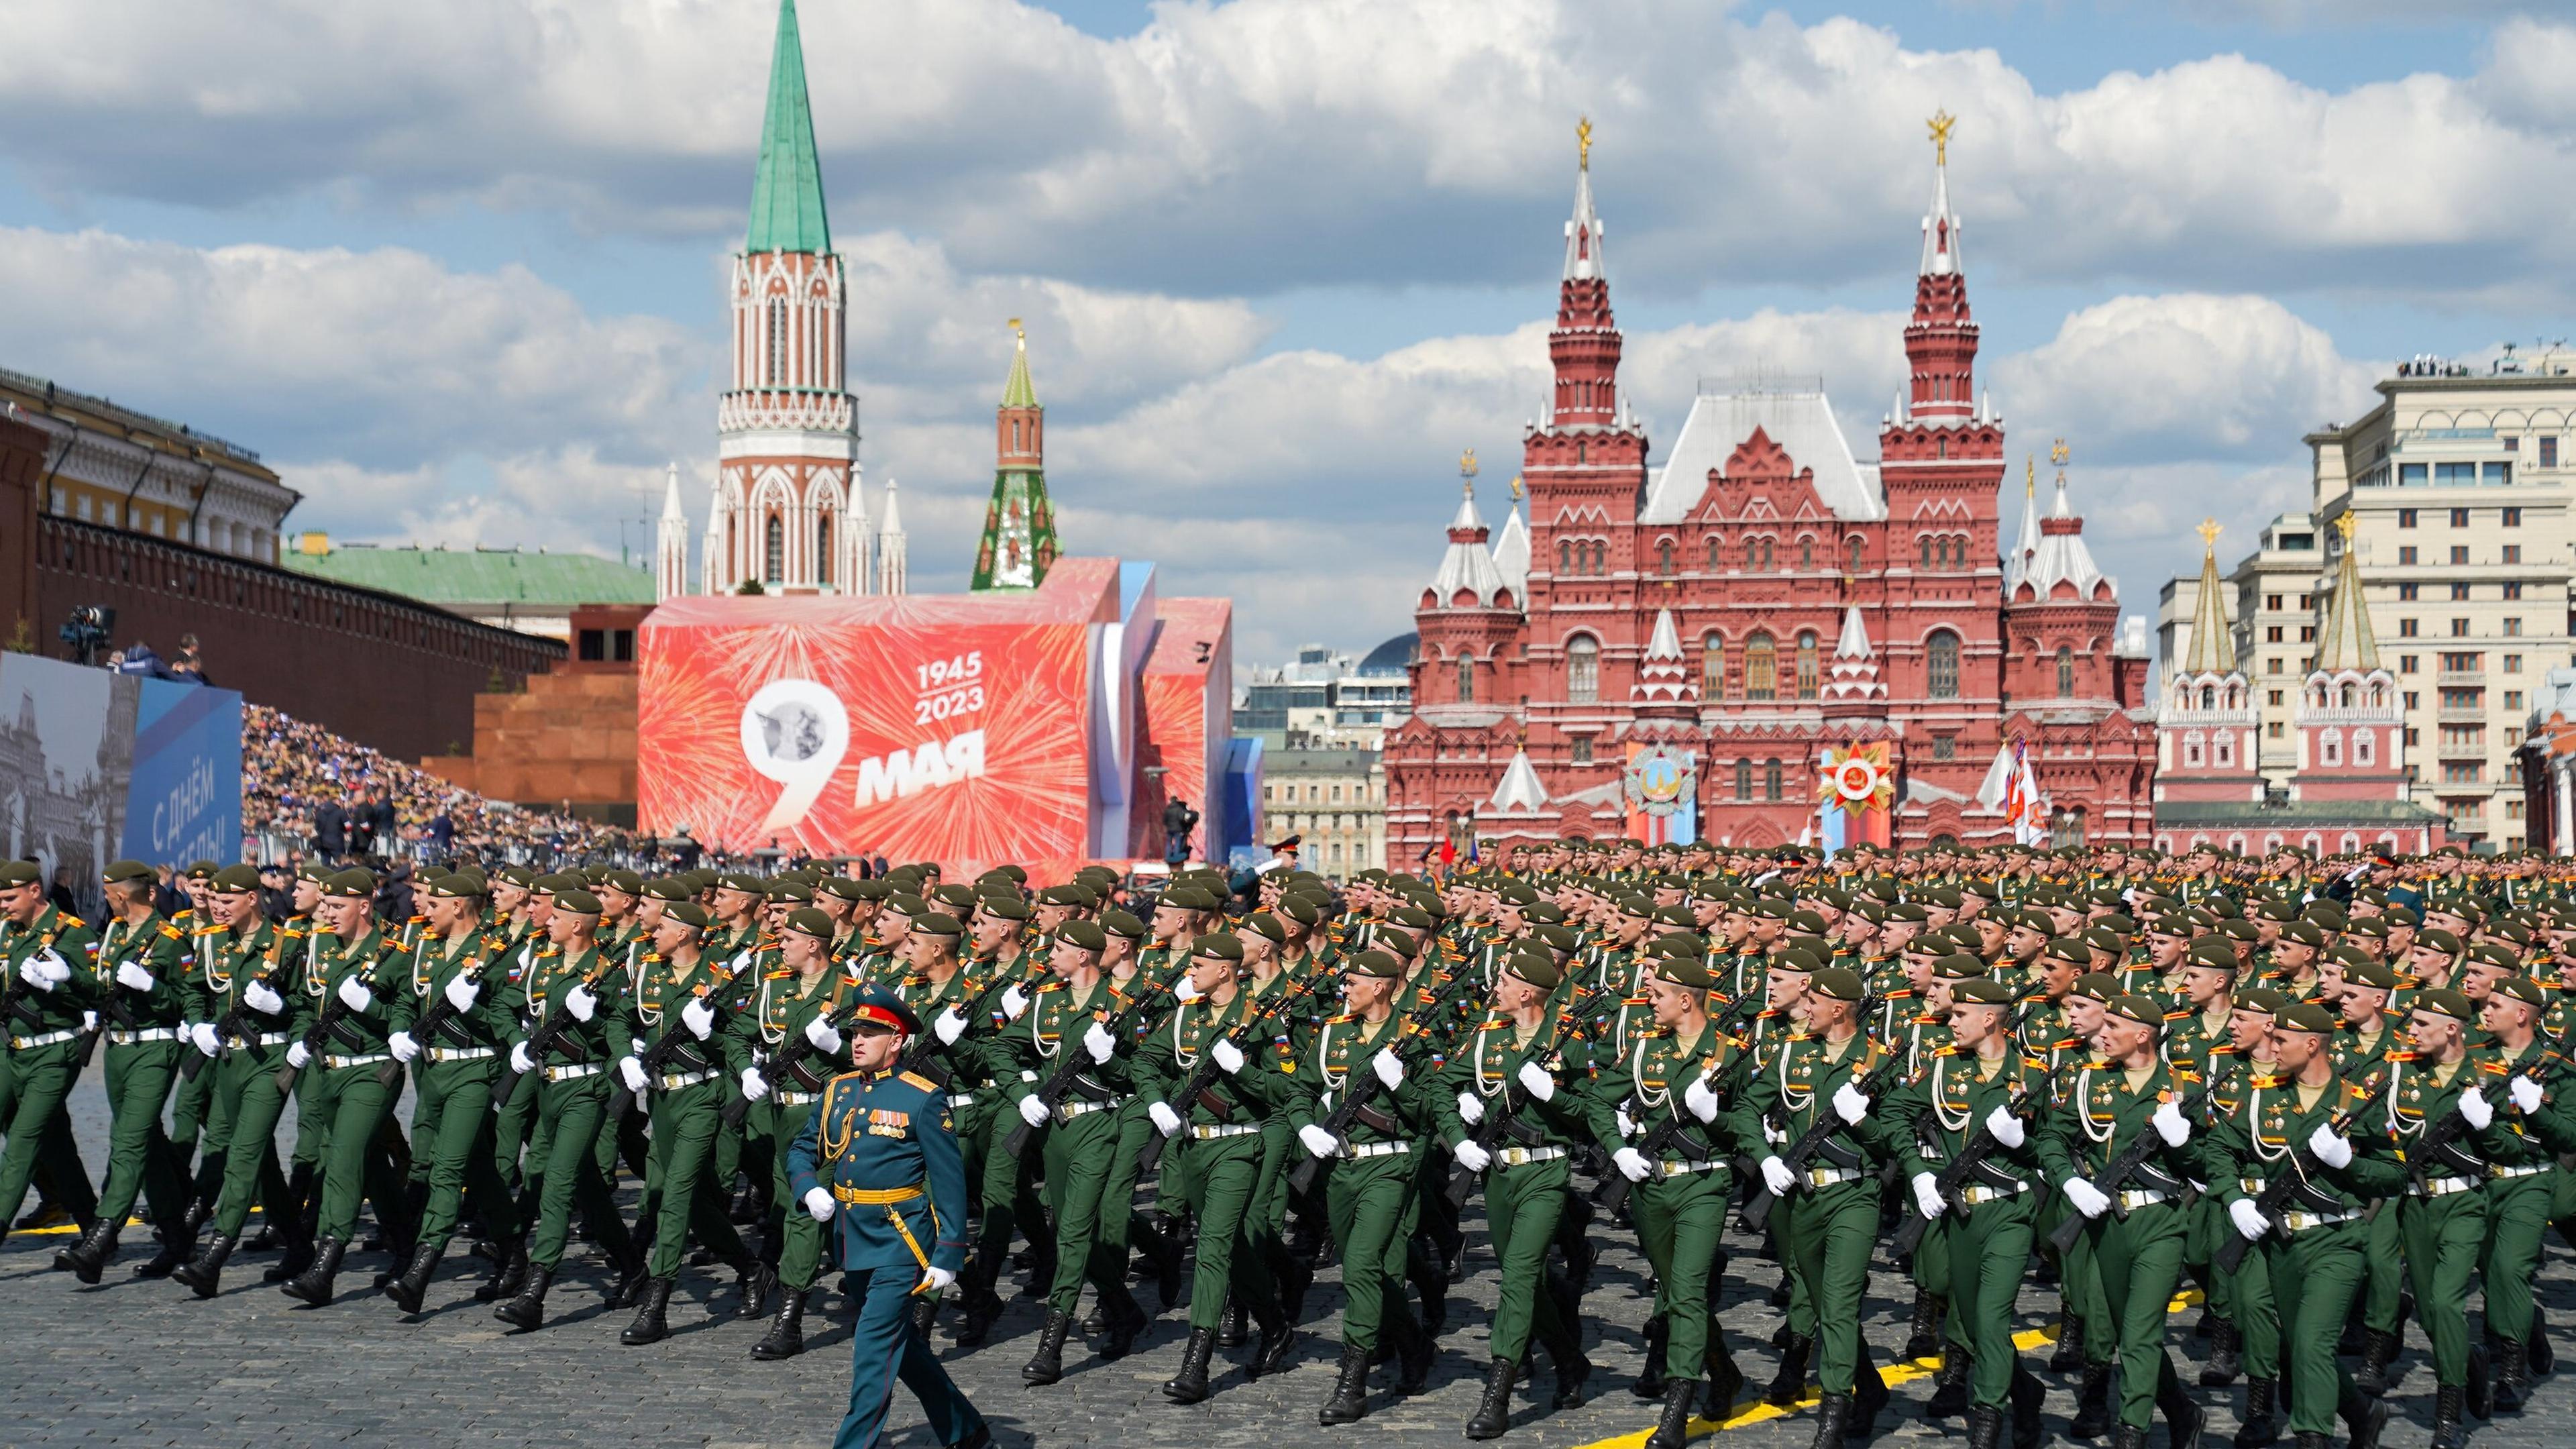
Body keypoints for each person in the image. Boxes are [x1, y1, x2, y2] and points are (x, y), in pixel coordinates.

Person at [786, 985, 991, 1449]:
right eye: (855, 1032)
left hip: (901, 1241)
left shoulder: (922, 1099)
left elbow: (949, 1181)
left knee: (873, 1352)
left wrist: (950, 1253)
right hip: (851, 1237)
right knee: (906, 1348)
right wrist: (810, 1187)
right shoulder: (838, 1091)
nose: (858, 1041)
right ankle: (965, 1430)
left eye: (871, 1033)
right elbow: (801, 1150)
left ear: (896, 1041)